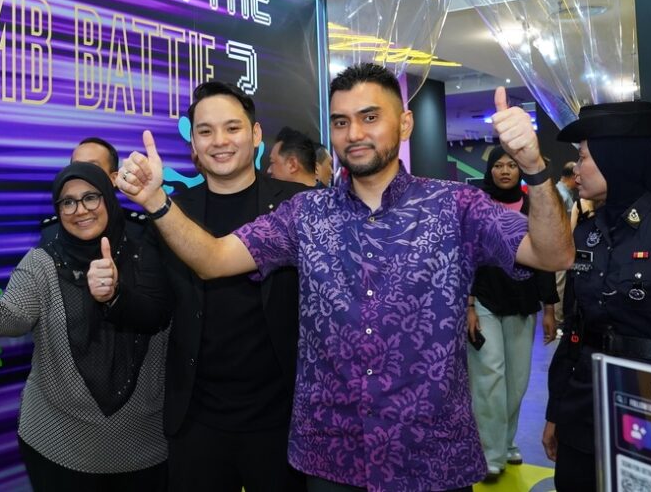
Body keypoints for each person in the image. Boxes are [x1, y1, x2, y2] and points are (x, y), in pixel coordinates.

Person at [116, 63, 574, 491]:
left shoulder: (455, 205)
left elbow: (554, 254)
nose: (354, 133)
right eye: (340, 121)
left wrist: (534, 169)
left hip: (430, 454)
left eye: (370, 117)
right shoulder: (305, 213)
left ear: (405, 124)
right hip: (332, 456)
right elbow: (214, 259)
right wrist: (156, 201)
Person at [0, 162, 170, 491]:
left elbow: (157, 315)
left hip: (143, 445)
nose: (80, 210)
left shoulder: (148, 254)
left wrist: (116, 294)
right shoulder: (42, 261)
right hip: (57, 442)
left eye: (91, 197)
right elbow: (16, 314)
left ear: (109, 198)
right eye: (68, 202)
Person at [146, 81, 307, 491]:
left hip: (282, 419)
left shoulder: (300, 204)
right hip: (197, 420)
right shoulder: (173, 212)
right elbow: (153, 308)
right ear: (193, 145)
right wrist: (111, 294)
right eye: (205, 131)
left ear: (255, 134)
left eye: (232, 128)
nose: (219, 141)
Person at [543, 101, 651, 492]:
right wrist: (555, 411)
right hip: (583, 407)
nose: (576, 169)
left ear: (616, 159)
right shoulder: (585, 232)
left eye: (583, 157)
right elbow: (574, 329)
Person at [466, 146, 559, 480]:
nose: (504, 171)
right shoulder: (477, 206)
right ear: (490, 170)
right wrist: (469, 305)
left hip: (522, 301)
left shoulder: (534, 206)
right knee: (489, 376)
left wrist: (549, 308)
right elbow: (467, 256)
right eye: (498, 165)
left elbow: (546, 259)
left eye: (511, 165)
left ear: (520, 170)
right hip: (485, 300)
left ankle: (506, 443)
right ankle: (489, 453)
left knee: (517, 381)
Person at [552, 161, 579, 331]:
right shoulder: (561, 194)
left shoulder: (564, 192)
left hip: (562, 244)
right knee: (559, 283)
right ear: (572, 176)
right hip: (559, 244)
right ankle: (557, 321)